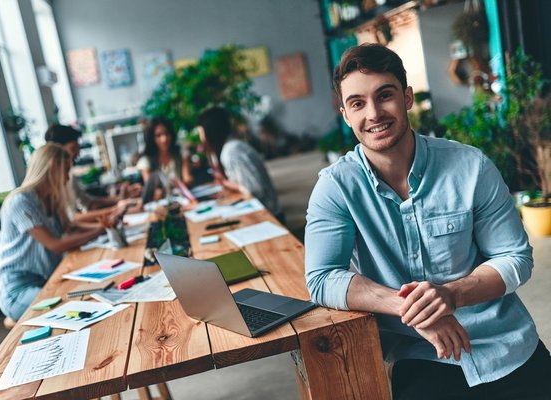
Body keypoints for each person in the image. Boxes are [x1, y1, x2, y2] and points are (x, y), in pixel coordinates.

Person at [304, 43, 551, 399]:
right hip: (421, 355)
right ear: (345, 114)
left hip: (507, 346)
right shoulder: (336, 187)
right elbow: (322, 277)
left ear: (406, 98)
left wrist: (450, 295)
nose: (373, 113)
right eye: (357, 103)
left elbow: (515, 257)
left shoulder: (471, 167)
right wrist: (415, 310)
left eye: (384, 95)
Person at [0, 143, 106, 321]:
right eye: (66, 170)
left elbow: (70, 229)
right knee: (74, 308)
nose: (68, 178)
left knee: (93, 294)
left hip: (46, 280)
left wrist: (104, 225)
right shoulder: (20, 201)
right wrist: (101, 229)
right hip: (18, 289)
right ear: (53, 165)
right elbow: (56, 245)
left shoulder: (50, 199)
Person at [44, 124, 141, 222]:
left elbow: (89, 203)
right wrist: (116, 209)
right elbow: (73, 218)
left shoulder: (69, 175)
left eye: (78, 148)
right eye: (73, 149)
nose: (77, 154)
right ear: (57, 150)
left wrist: (118, 199)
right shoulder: (54, 181)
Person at [197, 106, 281, 217]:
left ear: (210, 131)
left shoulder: (232, 152)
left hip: (268, 213)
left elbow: (254, 189)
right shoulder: (231, 147)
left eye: (201, 132)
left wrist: (226, 183)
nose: (200, 137)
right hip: (263, 209)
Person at [136, 116, 193, 202]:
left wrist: (187, 183)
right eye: (158, 135)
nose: (164, 139)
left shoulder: (181, 153)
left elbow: (187, 178)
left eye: (166, 133)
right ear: (152, 138)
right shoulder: (146, 161)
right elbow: (152, 192)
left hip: (184, 201)